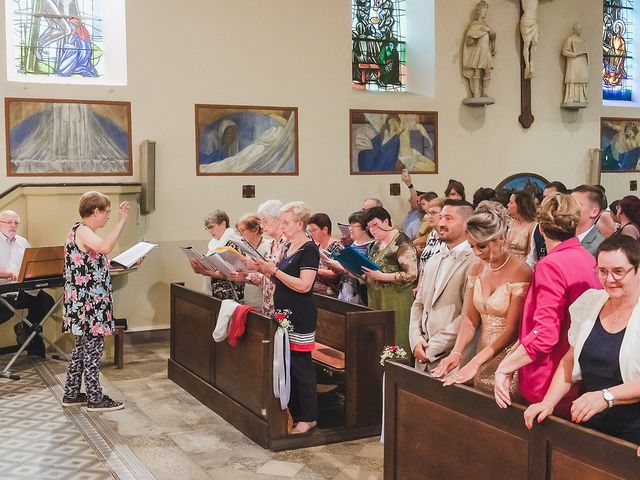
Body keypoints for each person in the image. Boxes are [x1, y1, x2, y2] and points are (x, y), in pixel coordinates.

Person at [524, 235, 640, 445]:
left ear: (638, 269)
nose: (609, 279)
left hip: (633, 431)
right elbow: (569, 361)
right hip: (588, 421)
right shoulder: (590, 302)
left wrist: (606, 396)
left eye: (618, 272)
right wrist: (548, 402)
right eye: (602, 271)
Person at [494, 193, 602, 414]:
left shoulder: (550, 265)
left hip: (550, 375)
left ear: (540, 229)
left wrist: (504, 368)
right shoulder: (588, 258)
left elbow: (545, 334)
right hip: (578, 371)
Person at [433, 202, 531, 395]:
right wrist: (457, 353)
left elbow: (512, 329)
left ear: (501, 238)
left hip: (507, 358)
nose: (477, 252)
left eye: (482, 246)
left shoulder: (522, 271)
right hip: (481, 352)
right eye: (472, 246)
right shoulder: (477, 268)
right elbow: (470, 319)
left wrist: (476, 363)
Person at [62, 191, 130, 411]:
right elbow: (104, 248)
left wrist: (129, 261)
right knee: (92, 350)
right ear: (95, 211)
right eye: (107, 211)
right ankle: (95, 398)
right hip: (89, 304)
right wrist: (122, 221)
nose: (108, 215)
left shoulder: (83, 232)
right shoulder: (82, 230)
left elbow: (97, 263)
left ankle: (71, 394)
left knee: (82, 349)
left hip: (88, 301)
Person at [257, 202, 319, 434]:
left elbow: (304, 286)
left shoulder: (308, 248)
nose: (281, 226)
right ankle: (292, 410)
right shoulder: (290, 246)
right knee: (287, 363)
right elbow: (281, 280)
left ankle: (309, 416)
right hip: (283, 313)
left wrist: (275, 271)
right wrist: (265, 271)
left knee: (301, 366)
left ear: (300, 223)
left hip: (300, 314)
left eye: (286, 222)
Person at [409, 200, 475, 372]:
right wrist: (415, 340)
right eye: (441, 218)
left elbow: (467, 315)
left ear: (466, 223)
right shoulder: (434, 259)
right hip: (421, 354)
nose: (441, 223)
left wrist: (431, 348)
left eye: (449, 218)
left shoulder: (475, 262)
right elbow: (418, 303)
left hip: (452, 358)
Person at [0, 210, 55, 358]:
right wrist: (9, 273)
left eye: (16, 223)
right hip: (4, 291)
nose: (13, 225)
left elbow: (32, 264)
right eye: (9, 222)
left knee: (46, 302)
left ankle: (28, 335)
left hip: (24, 288)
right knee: (4, 312)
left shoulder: (23, 242)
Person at [363, 207, 417, 353]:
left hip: (395, 298)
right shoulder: (376, 244)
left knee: (396, 336)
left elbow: (411, 274)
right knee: (379, 338)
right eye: (369, 227)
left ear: (385, 221)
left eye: (375, 225)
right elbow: (370, 270)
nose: (372, 230)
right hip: (376, 297)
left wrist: (382, 276)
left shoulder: (401, 241)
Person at [190, 210, 244, 301]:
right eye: (207, 228)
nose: (210, 231)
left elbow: (231, 273)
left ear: (223, 224)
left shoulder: (234, 243)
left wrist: (204, 271)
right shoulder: (213, 244)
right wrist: (198, 266)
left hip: (231, 295)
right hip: (216, 293)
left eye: (212, 227)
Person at [235, 214, 271, 308]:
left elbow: (270, 276)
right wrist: (240, 275)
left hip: (263, 299)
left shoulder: (269, 246)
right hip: (249, 298)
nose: (240, 234)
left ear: (255, 229)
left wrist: (249, 275)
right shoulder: (246, 247)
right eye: (238, 231)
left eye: (242, 230)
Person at [462, 0, 496, 99]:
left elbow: (492, 37)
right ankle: (476, 94)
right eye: (484, 10)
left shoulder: (487, 26)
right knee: (477, 71)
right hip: (479, 50)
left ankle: (484, 93)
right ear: (479, 11)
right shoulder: (474, 25)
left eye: (486, 11)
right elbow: (470, 38)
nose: (485, 12)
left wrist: (491, 32)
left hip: (486, 50)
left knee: (488, 71)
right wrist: (470, 39)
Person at [307, 213, 340, 297]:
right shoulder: (316, 246)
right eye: (309, 231)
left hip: (330, 294)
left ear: (325, 230)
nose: (311, 234)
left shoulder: (336, 247)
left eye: (313, 230)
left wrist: (313, 270)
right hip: (314, 293)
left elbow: (336, 273)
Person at [571, 185, 605, 256]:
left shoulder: (600, 247)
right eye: (569, 204)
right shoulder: (562, 237)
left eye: (576, 204)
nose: (570, 208)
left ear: (594, 212)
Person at [506, 191, 537, 265]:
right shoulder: (511, 222)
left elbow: (532, 255)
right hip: (508, 265)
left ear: (520, 205)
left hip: (523, 267)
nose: (507, 205)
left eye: (511, 202)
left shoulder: (533, 225)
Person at [561, 23, 589, 104]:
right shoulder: (570, 39)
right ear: (574, 29)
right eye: (578, 29)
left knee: (581, 79)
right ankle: (571, 98)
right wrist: (574, 54)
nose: (580, 31)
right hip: (573, 62)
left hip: (581, 62)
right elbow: (564, 51)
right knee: (573, 79)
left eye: (581, 29)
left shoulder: (581, 40)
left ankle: (581, 98)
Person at [520, 0, 539, 79]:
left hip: (534, 22)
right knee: (527, 44)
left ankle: (532, 63)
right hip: (526, 21)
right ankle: (527, 66)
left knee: (535, 42)